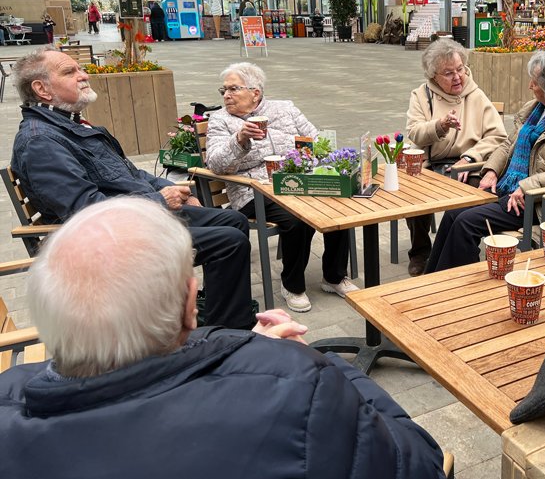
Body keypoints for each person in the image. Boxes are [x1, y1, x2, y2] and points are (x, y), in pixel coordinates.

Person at [0, 198, 448, 479]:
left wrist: (232, 348)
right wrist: (322, 367)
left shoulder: (9, 398)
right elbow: (420, 463)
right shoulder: (297, 392)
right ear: (190, 304)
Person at [11, 48, 255, 330]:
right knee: (228, 242)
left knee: (233, 220)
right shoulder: (41, 142)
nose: (83, 75)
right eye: (70, 72)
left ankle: (217, 312)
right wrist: (160, 201)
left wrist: (171, 188)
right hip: (108, 240)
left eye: (80, 69)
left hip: (136, 215)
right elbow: (86, 210)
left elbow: (129, 173)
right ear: (41, 89)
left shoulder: (68, 125)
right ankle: (231, 334)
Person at [425, 50, 545, 272]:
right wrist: (491, 171)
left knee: (466, 222)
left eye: (534, 82)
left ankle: (460, 288)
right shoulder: (535, 109)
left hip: (538, 203)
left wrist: (527, 186)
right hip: (511, 191)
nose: (529, 86)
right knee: (453, 214)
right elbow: (508, 145)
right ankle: (433, 279)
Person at [207, 62, 358, 312]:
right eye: (223, 90)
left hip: (296, 181)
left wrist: (312, 157)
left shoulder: (284, 108)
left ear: (255, 92)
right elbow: (215, 163)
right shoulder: (220, 120)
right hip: (252, 190)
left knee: (337, 202)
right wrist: (240, 139)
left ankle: (333, 276)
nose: (226, 95)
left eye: (233, 89)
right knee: (297, 220)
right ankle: (293, 285)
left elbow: (316, 138)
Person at [405, 38, 507, 276]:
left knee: (472, 197)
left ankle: (461, 253)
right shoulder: (422, 95)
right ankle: (420, 253)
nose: (458, 77)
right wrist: (439, 126)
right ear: (433, 76)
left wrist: (471, 158)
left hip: (469, 165)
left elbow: (498, 136)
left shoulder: (476, 94)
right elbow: (414, 133)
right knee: (413, 194)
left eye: (460, 69)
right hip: (432, 164)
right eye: (448, 73)